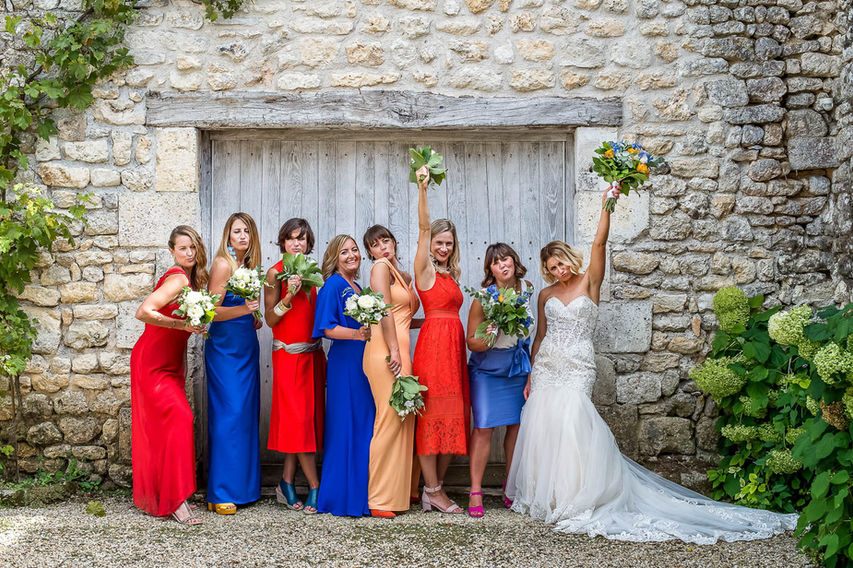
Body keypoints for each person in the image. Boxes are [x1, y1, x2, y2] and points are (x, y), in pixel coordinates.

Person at [506, 190, 798, 542]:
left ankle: (576, 494)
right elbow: (540, 336)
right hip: (549, 365)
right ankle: (548, 495)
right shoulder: (545, 295)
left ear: (570, 258)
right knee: (545, 425)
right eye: (551, 267)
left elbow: (599, 244)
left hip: (578, 363)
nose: (558, 270)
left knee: (573, 420)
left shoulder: (589, 281)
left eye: (561, 262)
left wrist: (606, 205)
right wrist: (531, 373)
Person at [131, 225, 208, 525]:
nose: (188, 253)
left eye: (192, 247)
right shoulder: (177, 278)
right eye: (182, 248)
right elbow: (144, 311)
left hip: (170, 364)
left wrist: (182, 366)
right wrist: (182, 327)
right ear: (172, 251)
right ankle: (176, 501)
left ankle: (168, 493)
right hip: (152, 362)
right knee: (181, 418)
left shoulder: (191, 282)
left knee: (164, 428)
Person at [411, 164, 469, 514]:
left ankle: (435, 487)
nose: (444, 247)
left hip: (454, 348)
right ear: (430, 244)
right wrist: (423, 189)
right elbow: (421, 227)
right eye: (439, 242)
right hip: (433, 349)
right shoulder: (426, 268)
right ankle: (431, 489)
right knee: (432, 416)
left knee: (455, 415)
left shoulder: (453, 272)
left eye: (448, 243)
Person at [465, 243, 533, 518]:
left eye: (506, 259)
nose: (502, 264)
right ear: (490, 270)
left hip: (517, 367)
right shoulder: (483, 298)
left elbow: (530, 332)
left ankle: (511, 484)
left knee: (515, 427)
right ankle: (475, 490)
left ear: (515, 262)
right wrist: (488, 338)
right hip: (487, 370)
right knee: (483, 428)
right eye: (496, 262)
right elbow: (471, 340)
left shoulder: (527, 288)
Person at [265, 218, 325, 514]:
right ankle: (315, 485)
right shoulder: (273, 273)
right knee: (298, 421)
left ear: (308, 243)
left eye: (301, 239)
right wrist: (289, 294)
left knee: (303, 424)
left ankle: (286, 482)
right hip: (288, 357)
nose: (296, 243)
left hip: (313, 357)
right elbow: (270, 319)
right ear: (283, 243)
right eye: (290, 239)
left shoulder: (314, 274)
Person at [203, 212, 262, 515]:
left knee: (245, 414)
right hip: (225, 348)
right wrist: (245, 311)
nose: (241, 236)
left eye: (246, 232)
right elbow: (211, 312)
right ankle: (219, 491)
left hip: (246, 345)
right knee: (229, 412)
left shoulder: (248, 266)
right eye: (236, 231)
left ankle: (243, 488)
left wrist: (254, 316)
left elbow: (242, 307)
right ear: (227, 235)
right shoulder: (223, 264)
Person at [313, 234, 375, 516]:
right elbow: (326, 329)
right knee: (344, 426)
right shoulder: (333, 286)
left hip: (362, 363)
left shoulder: (358, 287)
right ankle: (340, 498)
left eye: (355, 250)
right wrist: (357, 333)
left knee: (361, 423)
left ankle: (361, 494)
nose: (351, 255)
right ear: (334, 258)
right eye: (344, 252)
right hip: (344, 363)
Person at [362, 225, 420, 518]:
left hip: (401, 350)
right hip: (385, 351)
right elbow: (384, 310)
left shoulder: (404, 275)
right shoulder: (379, 268)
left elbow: (406, 316)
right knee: (389, 417)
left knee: (404, 417)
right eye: (375, 244)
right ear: (370, 252)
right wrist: (394, 349)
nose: (382, 247)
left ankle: (402, 492)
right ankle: (380, 498)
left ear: (394, 242)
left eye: (386, 240)